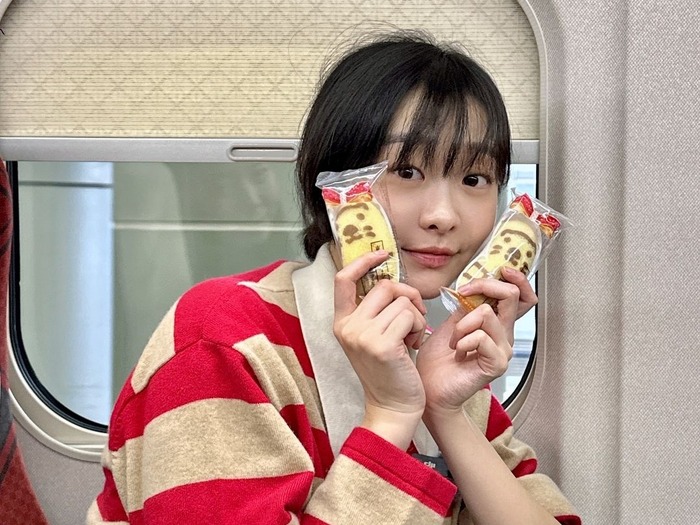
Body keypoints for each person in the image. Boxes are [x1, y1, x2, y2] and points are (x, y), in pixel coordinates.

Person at [87, 31, 581, 525]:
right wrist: (390, 414)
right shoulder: (222, 337)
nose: (443, 216)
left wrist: (444, 412)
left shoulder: (442, 359)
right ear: (335, 184)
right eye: (406, 171)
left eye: (474, 179)